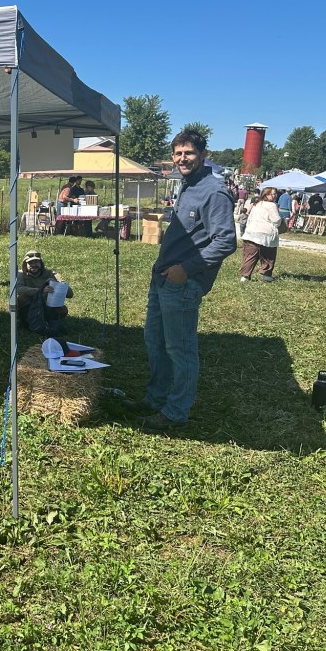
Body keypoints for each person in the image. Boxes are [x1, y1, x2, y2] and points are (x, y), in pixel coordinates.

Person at [126, 129, 236, 433]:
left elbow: (226, 241)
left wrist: (186, 270)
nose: (182, 158)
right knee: (155, 342)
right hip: (162, 277)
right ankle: (156, 398)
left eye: (188, 153)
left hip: (182, 283)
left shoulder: (214, 191)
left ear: (202, 155)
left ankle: (175, 412)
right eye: (178, 153)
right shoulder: (187, 185)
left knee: (180, 349)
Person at [15, 250, 72, 336]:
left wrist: (56, 284)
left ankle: (48, 321)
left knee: (63, 310)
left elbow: (70, 293)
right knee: (21, 299)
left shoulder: (51, 274)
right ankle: (23, 322)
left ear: (41, 263)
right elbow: (19, 289)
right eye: (30, 263)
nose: (34, 265)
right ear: (25, 265)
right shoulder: (21, 274)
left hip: (46, 305)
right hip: (29, 305)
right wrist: (40, 290)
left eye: (36, 262)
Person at [240, 187, 284, 283]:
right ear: (266, 195)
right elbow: (276, 220)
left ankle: (245, 276)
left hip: (252, 232)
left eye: (275, 194)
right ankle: (266, 275)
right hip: (266, 234)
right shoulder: (272, 205)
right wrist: (281, 222)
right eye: (272, 194)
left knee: (250, 256)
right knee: (268, 255)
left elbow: (250, 218)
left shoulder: (257, 204)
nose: (275, 196)